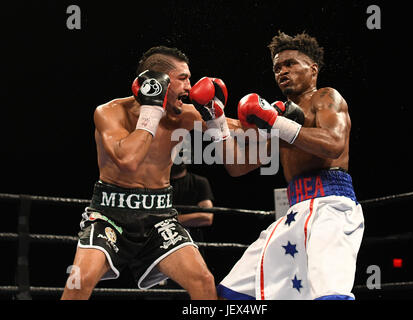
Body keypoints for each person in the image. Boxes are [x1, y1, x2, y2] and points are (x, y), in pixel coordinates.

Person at [61, 46, 225, 300]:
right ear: (157, 82)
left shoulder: (183, 115)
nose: (190, 88)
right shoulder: (109, 112)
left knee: (204, 281)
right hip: (109, 214)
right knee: (78, 282)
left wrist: (272, 123)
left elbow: (240, 132)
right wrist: (152, 110)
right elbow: (128, 159)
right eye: (183, 78)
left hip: (159, 216)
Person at [215, 31, 365, 300]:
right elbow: (237, 167)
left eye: (290, 64)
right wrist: (215, 119)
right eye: (277, 68)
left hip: (331, 207)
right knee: (231, 293)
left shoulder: (326, 97)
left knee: (329, 296)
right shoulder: (281, 117)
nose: (282, 71)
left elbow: (334, 143)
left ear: (313, 69)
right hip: (295, 211)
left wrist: (275, 124)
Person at [170, 163, 215, 229]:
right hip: (159, 236)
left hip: (191, 237)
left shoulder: (199, 182)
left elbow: (207, 217)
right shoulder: (154, 183)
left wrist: (168, 221)